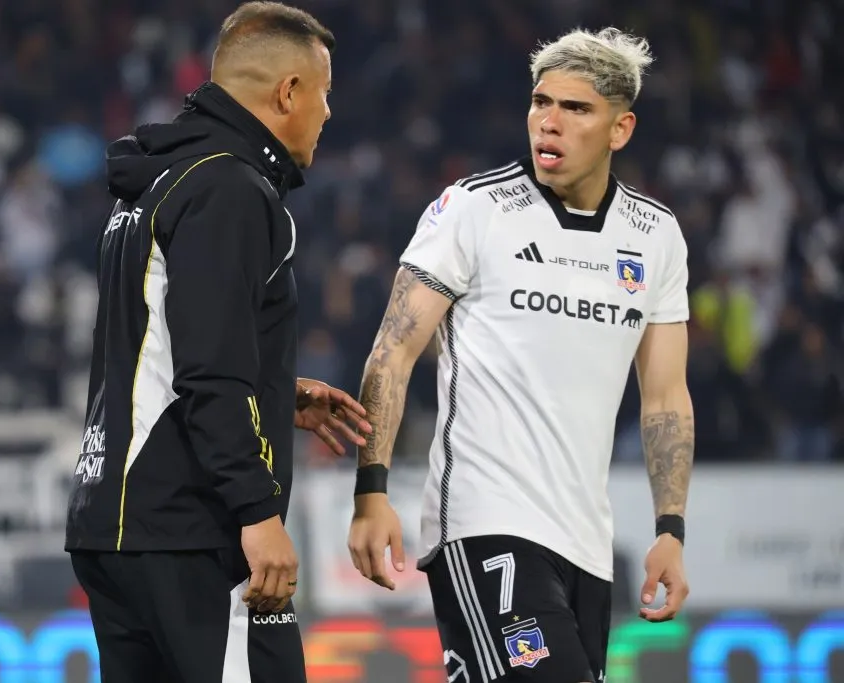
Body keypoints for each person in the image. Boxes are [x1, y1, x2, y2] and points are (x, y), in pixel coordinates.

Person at [348, 28, 694, 683]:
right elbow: (393, 350)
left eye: (575, 108)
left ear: (621, 129)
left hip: (586, 544)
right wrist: (372, 490)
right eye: (541, 102)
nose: (549, 121)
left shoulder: (655, 236)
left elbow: (666, 396)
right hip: (484, 523)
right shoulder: (474, 210)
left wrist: (670, 528)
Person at [64, 3, 370, 681]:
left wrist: (275, 391)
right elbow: (208, 371)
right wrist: (257, 513)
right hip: (195, 528)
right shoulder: (230, 187)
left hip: (114, 524)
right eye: (323, 94)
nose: (327, 113)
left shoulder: (151, 185)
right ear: (287, 92)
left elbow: (156, 346)